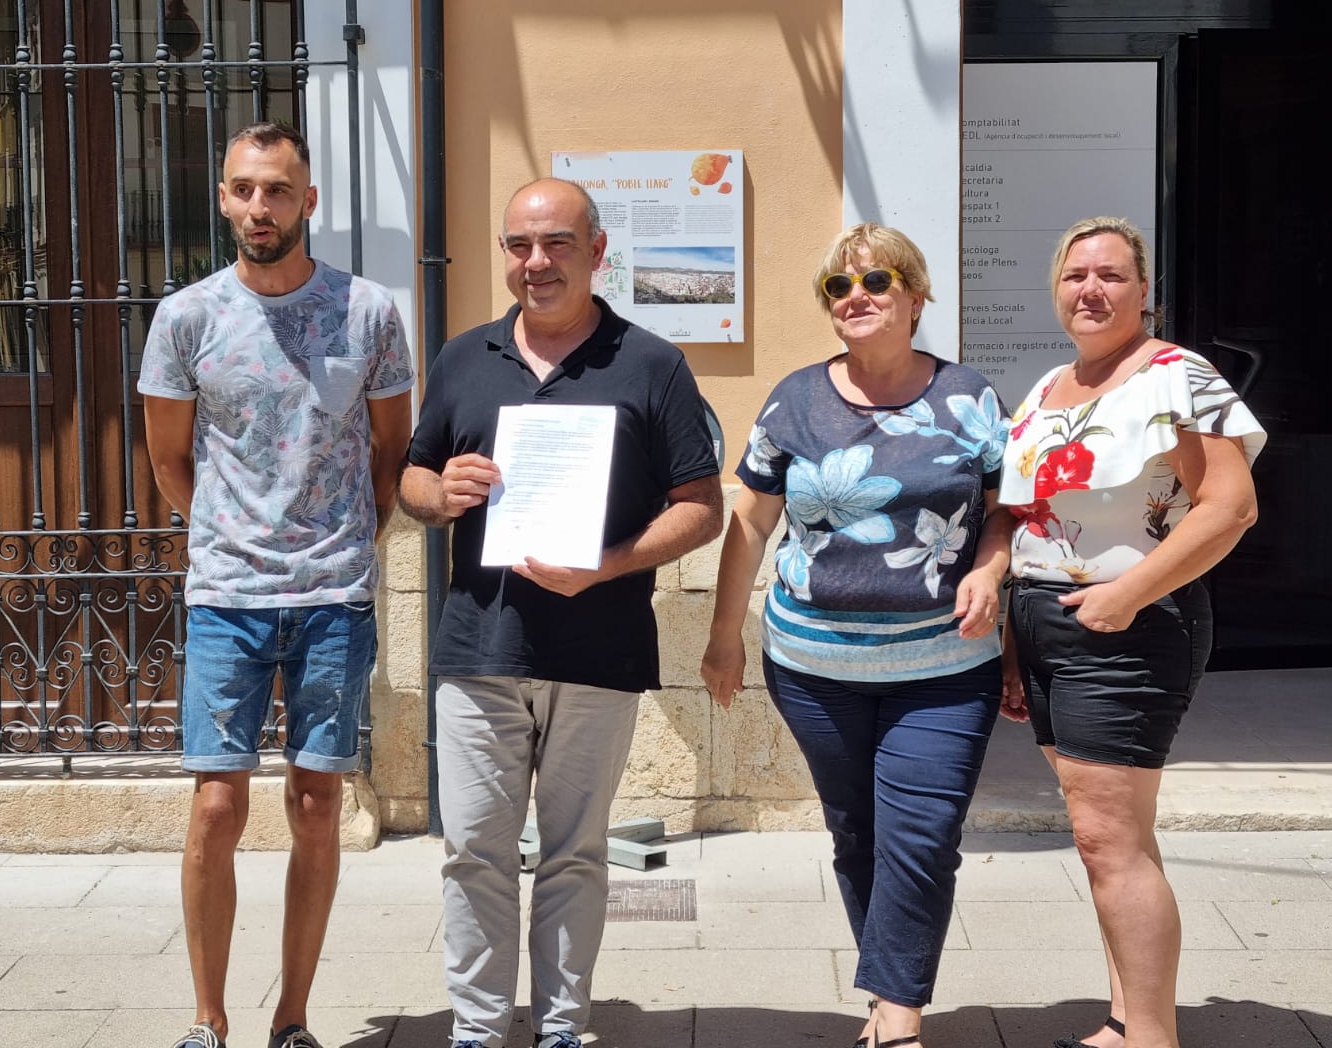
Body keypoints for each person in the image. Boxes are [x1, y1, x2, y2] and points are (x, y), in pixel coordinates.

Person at [398, 177, 723, 1048]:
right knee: (474, 852)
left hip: (599, 647)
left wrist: (610, 564)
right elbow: (412, 478)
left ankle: (563, 1026)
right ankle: (475, 1028)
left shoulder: (653, 364)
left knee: (576, 855)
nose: (535, 263)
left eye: (556, 244)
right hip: (479, 646)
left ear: (597, 252)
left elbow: (703, 504)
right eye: (518, 245)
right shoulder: (464, 357)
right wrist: (442, 492)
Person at [701, 223, 1013, 1048]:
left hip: (945, 664)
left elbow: (1005, 512)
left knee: (922, 833)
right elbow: (751, 522)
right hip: (813, 664)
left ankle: (899, 1017)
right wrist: (724, 636)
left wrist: (990, 569)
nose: (858, 297)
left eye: (877, 280)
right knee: (857, 831)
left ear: (914, 295)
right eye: (839, 287)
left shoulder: (969, 396)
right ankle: (887, 993)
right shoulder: (795, 399)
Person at [140, 121, 414, 1048]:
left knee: (318, 802)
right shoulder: (186, 317)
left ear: (309, 202)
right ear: (224, 197)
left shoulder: (368, 311)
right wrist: (235, 539)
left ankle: (292, 1018)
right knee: (218, 804)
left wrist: (341, 544)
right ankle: (208, 1019)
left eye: (278, 190)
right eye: (244, 189)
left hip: (333, 595)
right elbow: (170, 462)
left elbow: (390, 452)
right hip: (227, 596)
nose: (260, 207)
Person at [999, 216, 1263, 1048]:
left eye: (1111, 275)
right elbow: (1030, 521)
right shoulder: (1047, 389)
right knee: (1110, 837)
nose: (1092, 290)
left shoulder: (1179, 375)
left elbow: (1230, 507)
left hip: (1129, 624)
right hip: (1046, 624)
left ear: (1143, 290)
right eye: (1076, 275)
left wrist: (1130, 594)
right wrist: (1014, 643)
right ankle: (1125, 1022)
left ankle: (1151, 1038)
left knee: (1107, 838)